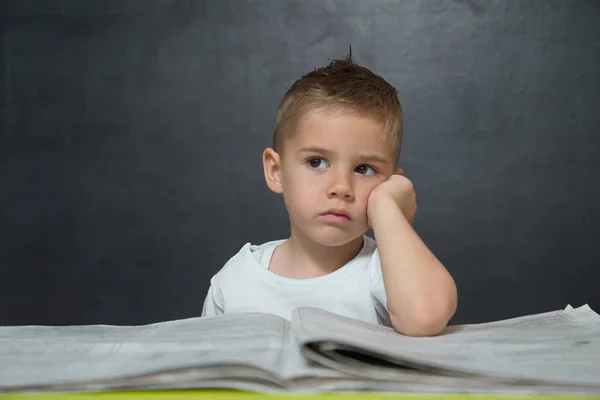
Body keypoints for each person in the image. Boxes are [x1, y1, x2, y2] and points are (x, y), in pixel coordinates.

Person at [201, 53, 457, 337]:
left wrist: (386, 207)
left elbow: (425, 316)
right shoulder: (236, 279)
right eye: (316, 162)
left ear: (390, 184)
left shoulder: (386, 272)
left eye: (364, 169)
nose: (341, 187)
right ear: (276, 170)